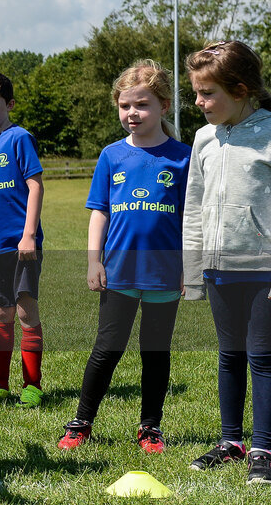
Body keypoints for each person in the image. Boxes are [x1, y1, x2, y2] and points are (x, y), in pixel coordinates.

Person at [183, 40, 271, 485]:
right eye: (196, 93)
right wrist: (192, 271)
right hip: (217, 269)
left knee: (262, 356)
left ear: (239, 89)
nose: (198, 103)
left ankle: (262, 450)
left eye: (206, 93)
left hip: (262, 270)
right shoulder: (202, 139)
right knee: (229, 355)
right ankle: (230, 442)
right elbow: (192, 208)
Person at [57, 60, 191, 453]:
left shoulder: (183, 157)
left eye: (142, 104)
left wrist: (189, 266)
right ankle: (82, 422)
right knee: (107, 347)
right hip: (118, 270)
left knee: (156, 351)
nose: (132, 113)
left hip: (165, 272)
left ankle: (150, 427)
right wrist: (93, 260)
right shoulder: (111, 156)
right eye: (125, 105)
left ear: (164, 106)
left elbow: (190, 218)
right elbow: (100, 212)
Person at [0, 72, 46, 408]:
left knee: (26, 313)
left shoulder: (19, 138)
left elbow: (35, 186)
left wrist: (28, 235)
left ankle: (32, 385)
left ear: (9, 104)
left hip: (21, 246)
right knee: (2, 315)